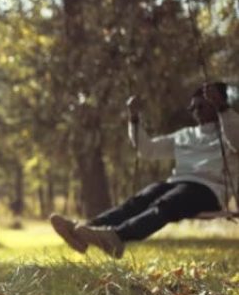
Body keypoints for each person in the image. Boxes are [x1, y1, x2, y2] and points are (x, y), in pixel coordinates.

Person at [50, 82, 239, 258]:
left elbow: (235, 140)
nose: (195, 112)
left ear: (216, 104)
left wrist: (223, 108)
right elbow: (147, 149)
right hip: (178, 183)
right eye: (192, 107)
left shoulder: (230, 128)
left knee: (167, 203)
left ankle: (117, 237)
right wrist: (134, 119)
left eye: (201, 106)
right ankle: (83, 230)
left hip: (209, 191)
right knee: (140, 200)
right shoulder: (185, 135)